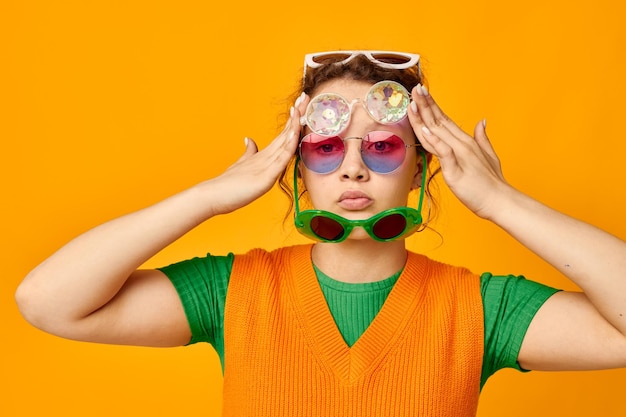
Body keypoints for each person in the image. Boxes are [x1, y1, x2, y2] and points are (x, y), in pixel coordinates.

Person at [15, 50, 626, 417]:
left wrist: (502, 203)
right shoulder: (237, 291)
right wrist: (208, 197)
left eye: (384, 147)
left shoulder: (482, 308)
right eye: (327, 148)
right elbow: (47, 302)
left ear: (421, 165)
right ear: (297, 166)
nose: (354, 167)